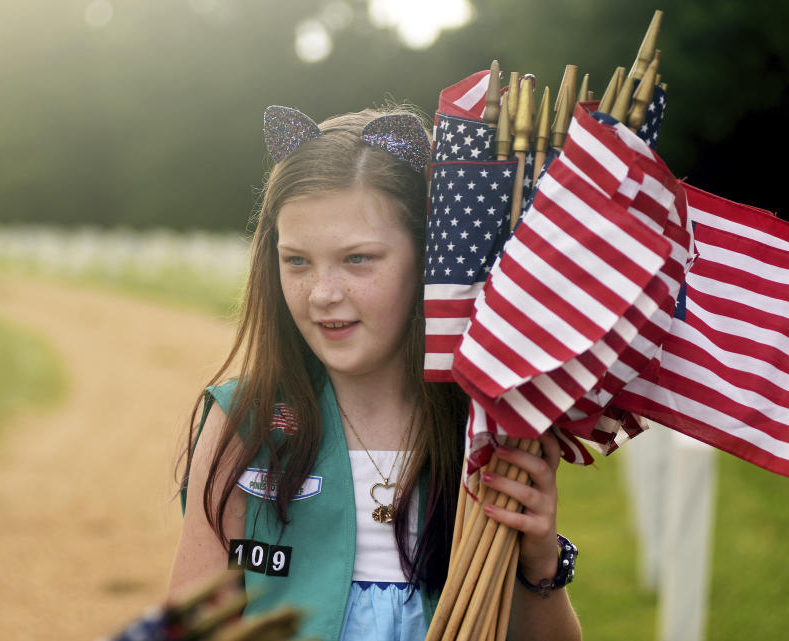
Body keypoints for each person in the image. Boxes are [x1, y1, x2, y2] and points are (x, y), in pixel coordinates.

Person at [168, 104, 581, 641]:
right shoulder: (244, 424)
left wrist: (539, 564)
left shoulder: (485, 433)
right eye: (297, 261)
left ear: (428, 256)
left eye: (358, 259)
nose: (323, 294)